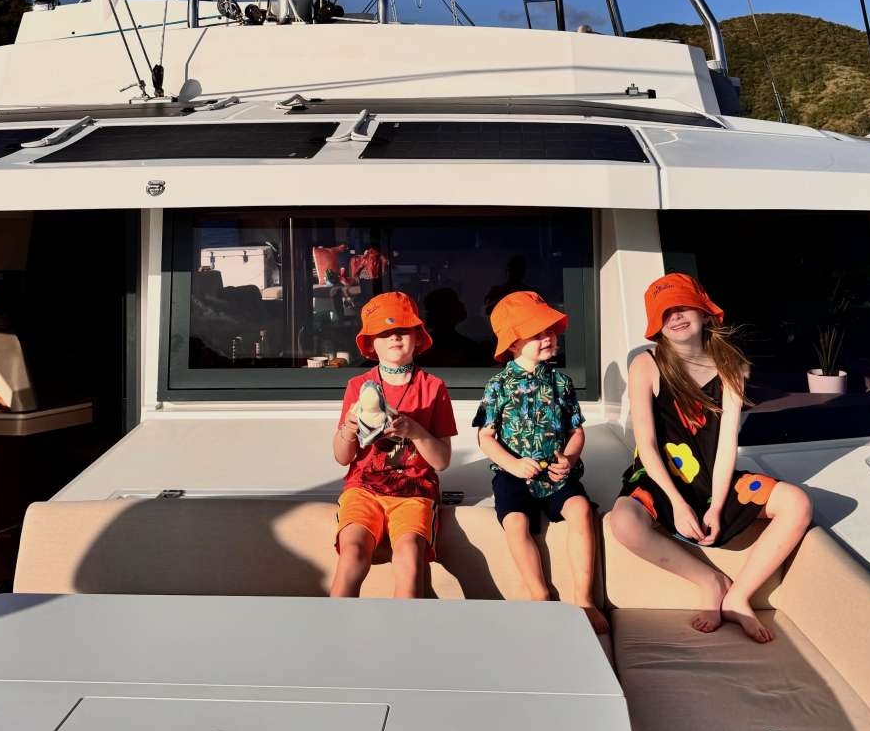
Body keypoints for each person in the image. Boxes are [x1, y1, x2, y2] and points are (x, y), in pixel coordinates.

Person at [608, 274, 812, 643]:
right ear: (656, 325)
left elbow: (726, 445)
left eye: (682, 307)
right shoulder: (646, 365)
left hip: (713, 478)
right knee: (623, 521)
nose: (675, 316)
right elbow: (646, 445)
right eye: (665, 312)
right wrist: (677, 504)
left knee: (797, 503)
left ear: (704, 313)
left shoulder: (730, 365)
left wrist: (717, 506)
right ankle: (710, 580)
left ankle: (738, 596)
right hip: (661, 478)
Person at [474, 291, 608, 633]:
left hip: (556, 472)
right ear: (513, 344)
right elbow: (485, 436)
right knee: (515, 523)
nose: (548, 337)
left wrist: (570, 458)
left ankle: (584, 598)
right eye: (536, 333)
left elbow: (576, 430)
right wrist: (512, 465)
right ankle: (540, 594)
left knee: (580, 509)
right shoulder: (498, 385)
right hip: (514, 475)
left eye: (550, 330)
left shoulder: (561, 382)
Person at [331, 291, 456, 598]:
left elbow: (441, 461)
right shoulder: (358, 386)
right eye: (384, 332)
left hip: (414, 491)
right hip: (363, 487)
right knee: (353, 553)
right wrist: (349, 428)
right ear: (371, 344)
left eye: (403, 329)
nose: (394, 337)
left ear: (418, 336)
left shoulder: (433, 388)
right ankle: (332, 622)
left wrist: (415, 431)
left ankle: (407, 626)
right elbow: (342, 457)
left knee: (409, 554)